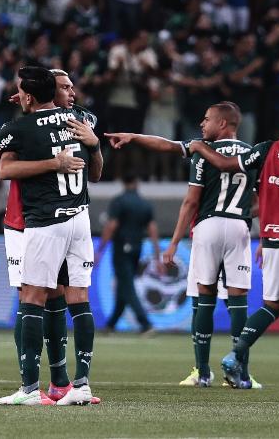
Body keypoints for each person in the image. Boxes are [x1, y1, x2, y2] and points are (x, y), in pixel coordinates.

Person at [106, 102, 260, 389]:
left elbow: (189, 199)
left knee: (203, 298)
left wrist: (174, 243)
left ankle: (202, 373)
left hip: (208, 226)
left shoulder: (203, 151)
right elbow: (260, 199)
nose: (202, 125)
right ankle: (242, 374)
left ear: (223, 124)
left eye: (207, 120)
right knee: (238, 301)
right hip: (239, 227)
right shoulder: (252, 154)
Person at [188, 101, 279, 393]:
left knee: (272, 305)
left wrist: (199, 147)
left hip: (270, 243)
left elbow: (226, 164)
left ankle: (235, 355)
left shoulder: (266, 150)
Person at [0, 69, 101, 404]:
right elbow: (95, 165)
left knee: (34, 298)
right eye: (64, 87)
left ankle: (36, 387)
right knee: (71, 297)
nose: (71, 92)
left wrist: (46, 153)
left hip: (40, 221)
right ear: (51, 92)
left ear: (28, 95)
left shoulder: (21, 129)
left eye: (73, 87)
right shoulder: (82, 121)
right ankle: (76, 384)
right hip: (71, 218)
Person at [97, 175, 158, 335]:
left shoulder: (119, 201)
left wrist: (100, 250)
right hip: (137, 249)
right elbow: (152, 229)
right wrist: (157, 255)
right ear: (137, 182)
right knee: (124, 286)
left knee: (127, 286)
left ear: (123, 182)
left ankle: (145, 324)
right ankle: (111, 324)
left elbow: (112, 225)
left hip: (121, 248)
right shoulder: (145, 203)